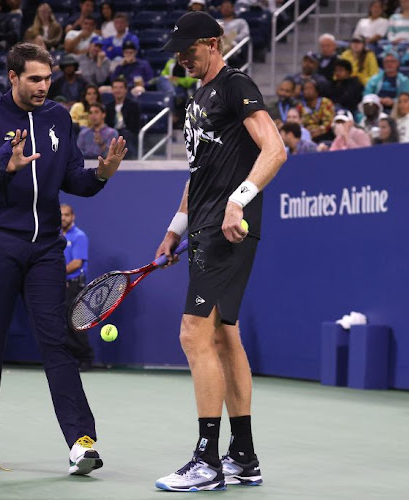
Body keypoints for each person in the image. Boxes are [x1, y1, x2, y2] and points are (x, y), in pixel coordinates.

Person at [0, 42, 127, 474]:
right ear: (12, 77)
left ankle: (81, 442)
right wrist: (6, 170)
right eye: (34, 78)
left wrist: (101, 175)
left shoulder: (58, 118)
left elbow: (73, 178)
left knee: (57, 342)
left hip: (46, 247)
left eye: (47, 78)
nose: (43, 86)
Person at [154, 11, 287, 492]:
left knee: (194, 334)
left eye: (189, 50)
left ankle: (207, 460)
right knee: (224, 336)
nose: (182, 58)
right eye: (178, 52)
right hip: (204, 226)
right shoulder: (195, 98)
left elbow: (274, 149)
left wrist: (239, 200)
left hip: (227, 229)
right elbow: (199, 174)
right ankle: (243, 456)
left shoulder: (235, 84)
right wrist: (175, 227)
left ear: (213, 43)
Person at [60, 203, 93, 369]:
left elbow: (77, 263)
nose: (63, 218)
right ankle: (70, 359)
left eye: (66, 215)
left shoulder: (79, 236)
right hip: (60, 285)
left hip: (74, 286)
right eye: (61, 215)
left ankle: (85, 359)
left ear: (72, 217)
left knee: (76, 322)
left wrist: (57, 273)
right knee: (62, 324)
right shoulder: (56, 235)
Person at [105, 77, 140, 154]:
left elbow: (134, 127)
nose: (118, 90)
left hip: (127, 134)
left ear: (125, 90)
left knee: (125, 135)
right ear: (112, 90)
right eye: (115, 88)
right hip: (111, 134)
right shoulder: (108, 107)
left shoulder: (133, 106)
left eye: (121, 88)